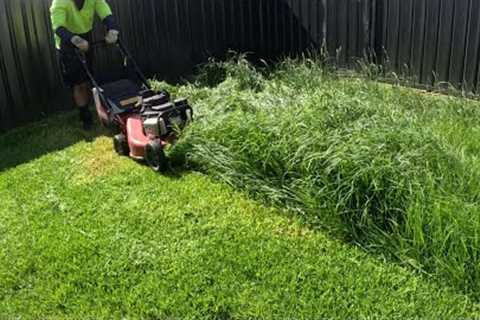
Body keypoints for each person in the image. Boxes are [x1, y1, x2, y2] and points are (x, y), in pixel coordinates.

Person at [50, 0, 120, 130]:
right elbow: (58, 27)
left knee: (88, 78)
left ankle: (91, 107)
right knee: (78, 83)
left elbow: (105, 12)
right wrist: (75, 40)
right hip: (66, 41)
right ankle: (85, 116)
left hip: (86, 36)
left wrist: (112, 29)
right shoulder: (60, 2)